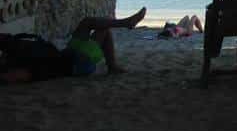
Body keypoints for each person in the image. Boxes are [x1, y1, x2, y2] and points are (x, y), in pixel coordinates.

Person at [1, 7, 146, 84]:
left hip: (68, 53)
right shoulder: (26, 66)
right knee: (104, 30)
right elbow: (17, 76)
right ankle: (113, 63)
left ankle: (125, 25)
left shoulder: (15, 49)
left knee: (87, 21)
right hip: (78, 64)